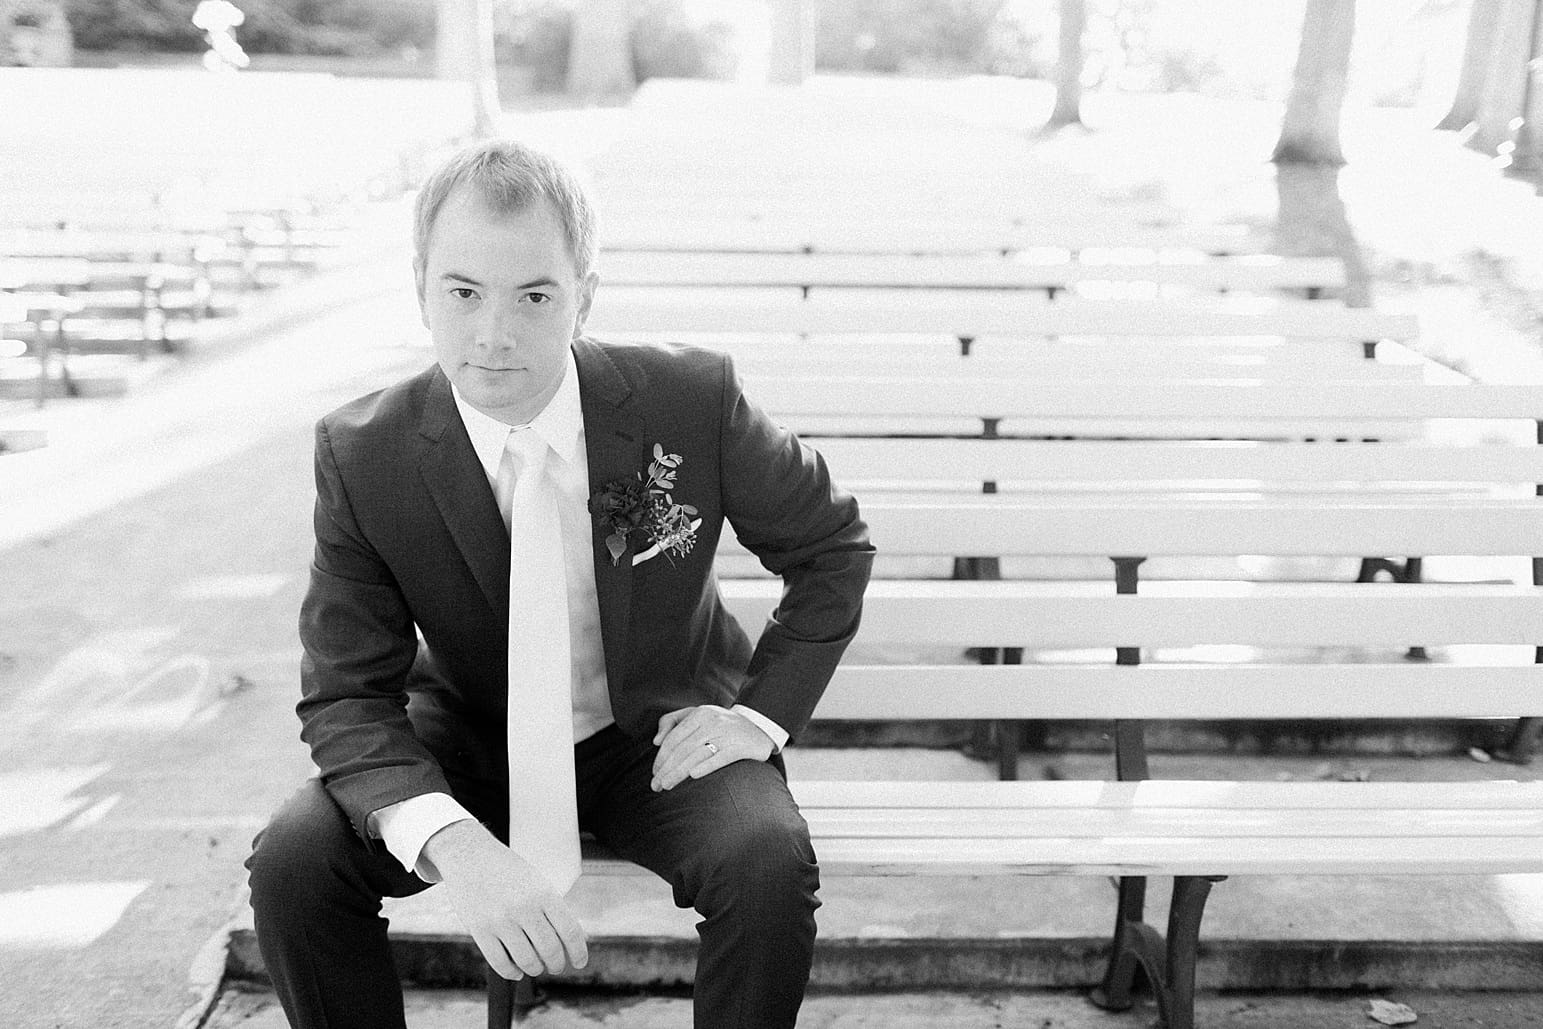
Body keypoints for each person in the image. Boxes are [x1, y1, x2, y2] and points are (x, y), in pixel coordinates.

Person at [244, 138, 873, 1029]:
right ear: (420, 282)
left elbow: (831, 546)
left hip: (656, 731)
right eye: (461, 292)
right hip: (467, 735)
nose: (493, 334)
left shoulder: (688, 399)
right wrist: (454, 841)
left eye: (534, 295)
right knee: (294, 859)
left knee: (765, 860)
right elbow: (345, 691)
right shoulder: (363, 451)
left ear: (584, 293)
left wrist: (756, 716)